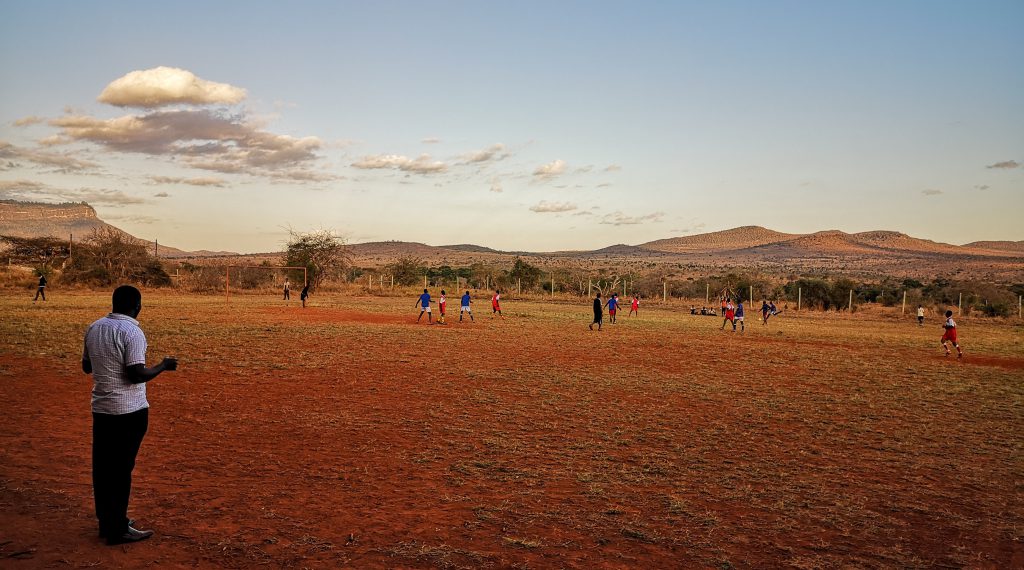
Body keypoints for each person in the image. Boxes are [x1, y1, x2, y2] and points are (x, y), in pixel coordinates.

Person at [82, 285, 177, 545]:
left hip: (102, 408)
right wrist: (163, 366)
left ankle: (108, 521)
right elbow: (136, 373)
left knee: (103, 468)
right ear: (137, 306)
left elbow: (86, 366)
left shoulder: (94, 327)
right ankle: (118, 527)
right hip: (128, 410)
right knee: (121, 469)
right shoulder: (132, 331)